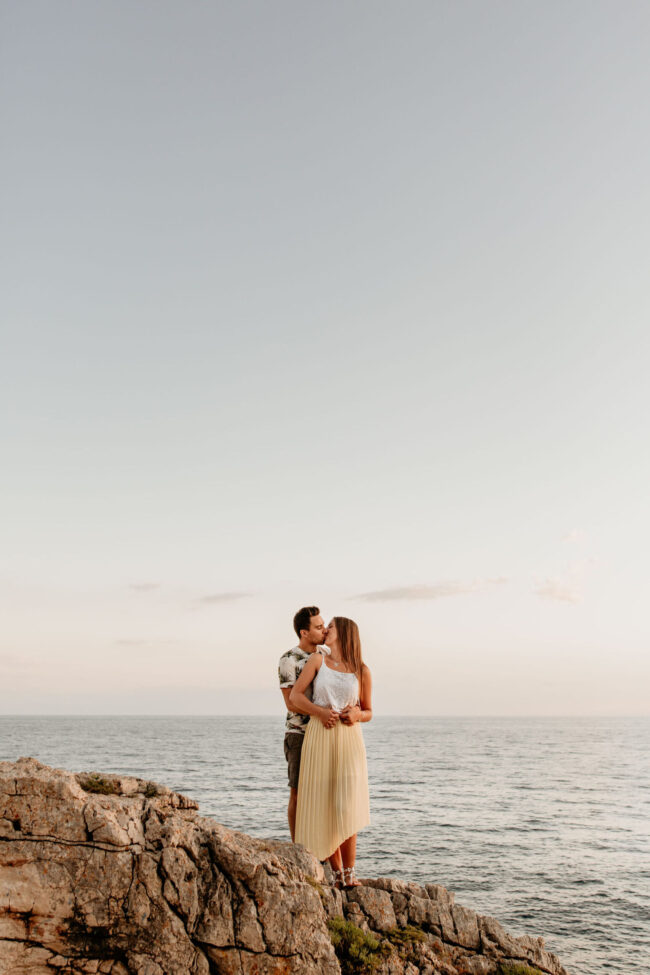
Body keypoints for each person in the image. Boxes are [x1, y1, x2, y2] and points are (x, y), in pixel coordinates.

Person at [290, 616, 372, 889]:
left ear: (345, 633)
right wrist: (321, 712)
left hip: (349, 738)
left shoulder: (361, 670)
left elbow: (369, 710)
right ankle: (338, 875)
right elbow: (296, 697)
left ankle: (350, 872)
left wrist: (357, 715)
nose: (326, 630)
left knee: (347, 804)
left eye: (331, 626)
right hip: (320, 734)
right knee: (324, 804)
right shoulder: (317, 660)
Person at [278, 606, 334, 841]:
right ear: (304, 632)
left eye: (324, 626)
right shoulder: (289, 659)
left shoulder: (327, 655)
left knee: (324, 795)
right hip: (299, 733)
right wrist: (321, 713)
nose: (324, 631)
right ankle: (297, 847)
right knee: (298, 792)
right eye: (318, 627)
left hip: (325, 732)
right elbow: (291, 702)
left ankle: (320, 846)